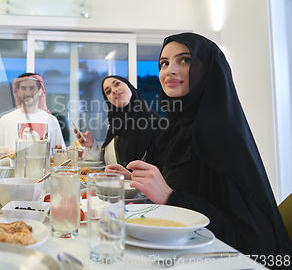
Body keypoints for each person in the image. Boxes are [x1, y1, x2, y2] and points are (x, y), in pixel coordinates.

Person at [124, 32, 292, 258]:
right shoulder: (177, 129)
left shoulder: (219, 134)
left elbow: (251, 237)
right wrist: (138, 181)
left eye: (185, 60)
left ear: (208, 70)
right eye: (164, 63)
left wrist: (170, 196)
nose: (170, 70)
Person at [75, 76, 165, 177]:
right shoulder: (116, 125)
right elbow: (111, 161)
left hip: (140, 192)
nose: (114, 90)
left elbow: (164, 172)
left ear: (129, 86)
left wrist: (131, 177)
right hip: (110, 189)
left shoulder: (158, 125)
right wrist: (91, 145)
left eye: (117, 84)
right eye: (108, 92)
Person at [0, 73, 65, 151]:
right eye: (23, 88)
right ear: (18, 92)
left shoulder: (51, 120)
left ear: (40, 91)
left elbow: (60, 154)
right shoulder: (5, 120)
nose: (27, 93)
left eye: (32, 88)